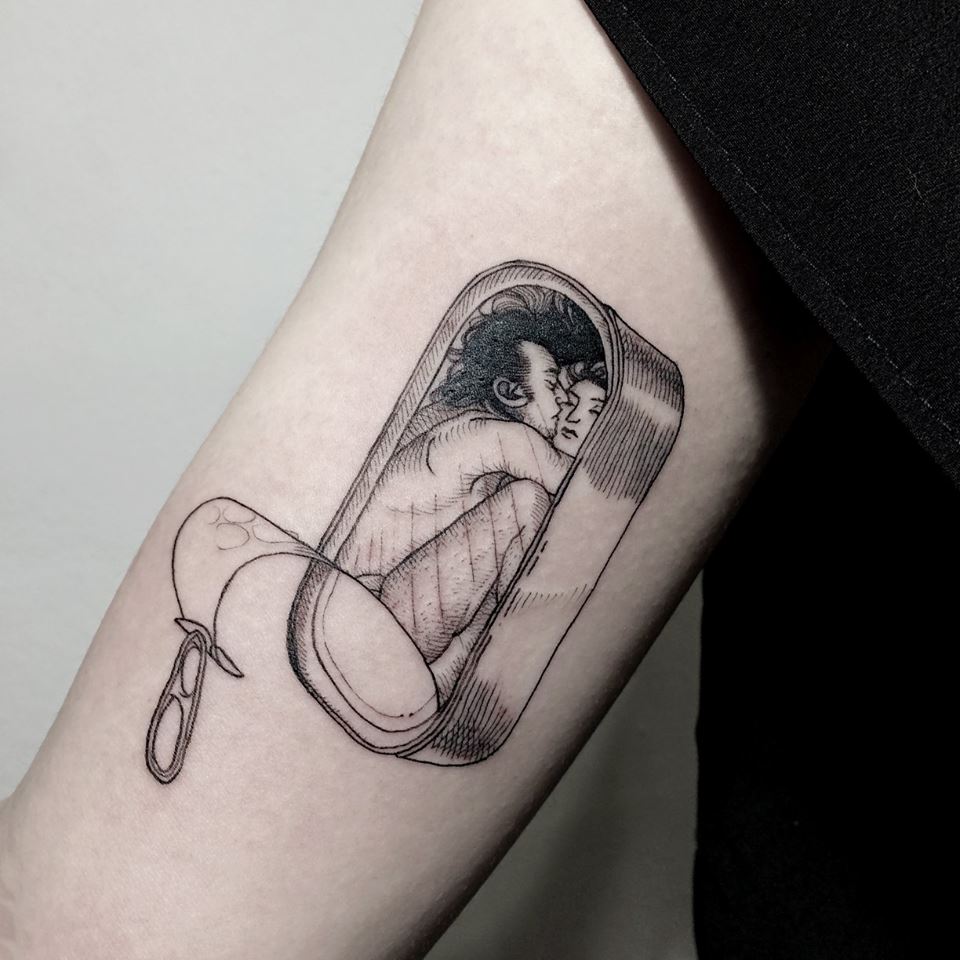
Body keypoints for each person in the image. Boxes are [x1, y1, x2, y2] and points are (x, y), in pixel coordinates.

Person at [337, 285, 606, 697]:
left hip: (366, 609)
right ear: (512, 393)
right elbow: (586, 504)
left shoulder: (462, 428)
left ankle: (453, 678)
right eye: (553, 386)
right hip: (370, 615)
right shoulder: (501, 437)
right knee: (528, 505)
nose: (562, 401)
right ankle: (462, 680)